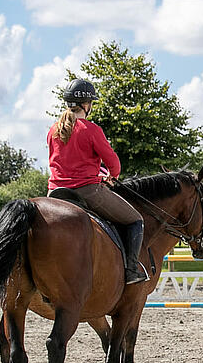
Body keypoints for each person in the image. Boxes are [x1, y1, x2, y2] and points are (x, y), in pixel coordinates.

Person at [47, 78, 149, 284]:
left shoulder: (54, 130)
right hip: (86, 191)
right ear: (86, 105)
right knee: (135, 220)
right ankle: (130, 270)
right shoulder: (91, 130)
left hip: (54, 193)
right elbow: (113, 162)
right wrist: (112, 175)